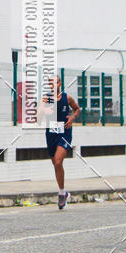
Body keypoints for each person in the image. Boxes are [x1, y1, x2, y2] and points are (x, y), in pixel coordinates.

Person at [40, 76, 80, 209]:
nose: (53, 85)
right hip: (51, 133)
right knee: (56, 165)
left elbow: (77, 109)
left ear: (60, 83)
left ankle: (61, 194)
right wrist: (43, 111)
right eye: (51, 83)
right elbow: (37, 116)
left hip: (64, 133)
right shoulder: (45, 99)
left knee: (58, 161)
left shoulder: (67, 97)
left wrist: (72, 117)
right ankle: (64, 192)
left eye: (56, 82)